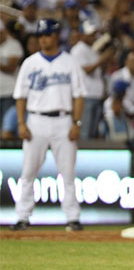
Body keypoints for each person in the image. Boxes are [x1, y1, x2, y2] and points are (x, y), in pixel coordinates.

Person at [10, 18, 87, 231]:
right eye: (41, 35)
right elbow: (20, 96)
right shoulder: (30, 63)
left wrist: (76, 123)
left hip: (64, 120)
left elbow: (79, 96)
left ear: (56, 36)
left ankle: (73, 217)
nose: (43, 39)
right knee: (28, 172)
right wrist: (21, 123)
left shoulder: (69, 62)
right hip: (36, 120)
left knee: (68, 173)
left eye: (47, 35)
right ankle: (22, 217)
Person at [70, 21, 114, 139]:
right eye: (90, 34)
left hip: (96, 96)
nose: (93, 37)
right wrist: (102, 59)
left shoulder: (93, 50)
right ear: (82, 34)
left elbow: (99, 73)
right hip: (86, 96)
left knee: (93, 133)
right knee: (85, 132)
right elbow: (86, 70)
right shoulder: (78, 49)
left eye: (94, 34)